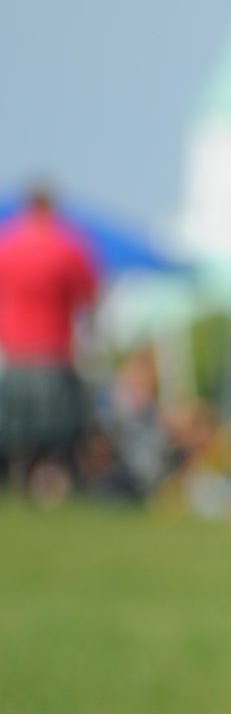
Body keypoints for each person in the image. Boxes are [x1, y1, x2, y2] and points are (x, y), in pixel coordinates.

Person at [0, 183, 100, 501]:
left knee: (13, 428)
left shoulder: (7, 242)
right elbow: (89, 295)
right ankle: (48, 483)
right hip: (52, 351)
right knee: (56, 431)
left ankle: (16, 478)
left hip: (12, 352)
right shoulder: (67, 245)